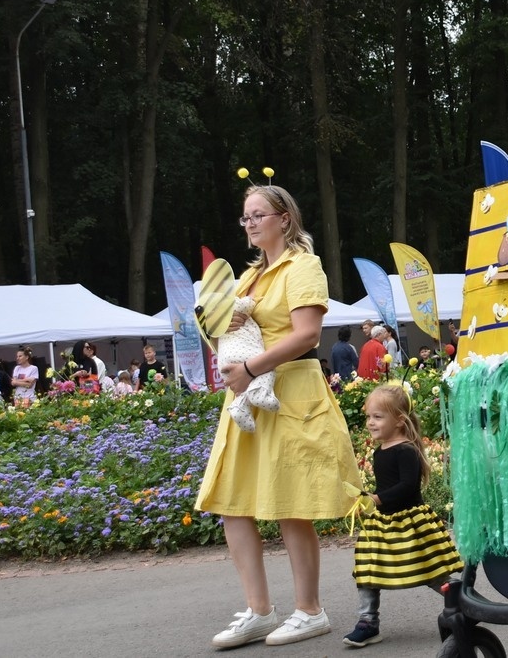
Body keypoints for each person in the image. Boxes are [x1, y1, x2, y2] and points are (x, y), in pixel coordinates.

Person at [195, 183, 362, 649]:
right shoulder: (247, 278)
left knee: (291, 506)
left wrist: (249, 367)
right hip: (247, 396)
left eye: (258, 215)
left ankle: (309, 610)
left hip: (287, 389)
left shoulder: (303, 266)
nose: (249, 224)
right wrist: (221, 326)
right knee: (231, 502)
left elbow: (308, 335)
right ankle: (259, 611)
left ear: (284, 219)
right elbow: (229, 328)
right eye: (244, 217)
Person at [343, 384, 463, 648]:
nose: (370, 422)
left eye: (377, 417)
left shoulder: (406, 450)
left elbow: (409, 486)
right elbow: (388, 485)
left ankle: (463, 602)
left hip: (409, 521)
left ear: (399, 421)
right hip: (383, 522)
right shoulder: (380, 450)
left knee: (430, 570)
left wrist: (378, 498)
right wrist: (369, 498)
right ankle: (367, 622)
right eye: (368, 417)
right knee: (367, 571)